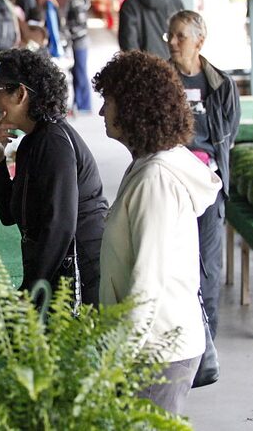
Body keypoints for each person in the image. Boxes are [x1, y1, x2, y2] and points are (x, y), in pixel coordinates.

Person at [93, 51, 221, 414]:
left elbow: (148, 282)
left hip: (156, 352)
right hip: (153, 346)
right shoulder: (148, 164)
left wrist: (115, 360)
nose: (102, 112)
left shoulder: (156, 179)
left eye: (109, 101)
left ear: (133, 107)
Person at [0, 49, 108, 305]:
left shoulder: (53, 143)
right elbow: (9, 214)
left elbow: (59, 227)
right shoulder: (33, 140)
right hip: (57, 273)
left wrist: (31, 294)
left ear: (21, 93)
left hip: (83, 278)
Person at [167, 11, 241, 338]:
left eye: (180, 36)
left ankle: (205, 344)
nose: (172, 41)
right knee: (170, 264)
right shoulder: (161, 82)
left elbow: (229, 133)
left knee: (208, 267)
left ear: (200, 41)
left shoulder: (221, 85)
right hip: (168, 183)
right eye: (170, 35)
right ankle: (175, 340)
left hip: (208, 185)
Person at [61, 0, 92, 112]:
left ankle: (84, 105)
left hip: (80, 40)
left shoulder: (76, 0)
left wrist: (69, 33)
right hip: (78, 40)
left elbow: (79, 23)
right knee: (77, 71)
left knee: (80, 71)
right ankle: (79, 103)